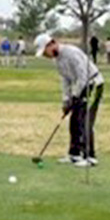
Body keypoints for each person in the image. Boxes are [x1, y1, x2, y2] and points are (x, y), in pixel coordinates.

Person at [35, 33, 103, 167]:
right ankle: (74, 154)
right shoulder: (57, 60)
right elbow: (65, 80)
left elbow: (83, 74)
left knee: (85, 120)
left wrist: (76, 96)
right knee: (74, 120)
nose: (45, 55)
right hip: (80, 87)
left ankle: (90, 156)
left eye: (45, 52)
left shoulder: (71, 52)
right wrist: (66, 100)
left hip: (93, 83)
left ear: (51, 44)